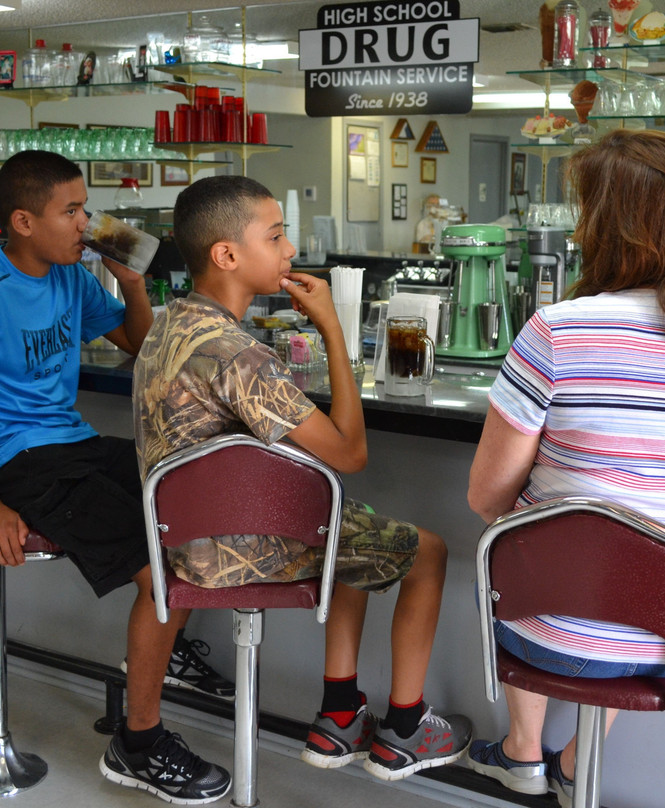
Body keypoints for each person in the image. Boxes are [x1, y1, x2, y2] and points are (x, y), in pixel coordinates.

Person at [0, 150, 234, 805]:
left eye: (85, 208)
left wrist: (131, 283)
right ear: (23, 221)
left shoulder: (70, 277)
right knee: (162, 575)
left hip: (73, 446)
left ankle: (162, 644)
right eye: (72, 211)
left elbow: (140, 345)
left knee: (191, 490)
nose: (87, 223)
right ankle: (138, 743)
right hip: (17, 465)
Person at [463, 129, 665, 806]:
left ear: (606, 228)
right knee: (635, 556)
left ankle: (522, 751)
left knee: (530, 543)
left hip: (558, 630)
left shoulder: (558, 330)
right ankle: (576, 763)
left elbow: (485, 496)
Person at [132, 175, 472, 783]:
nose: (290, 250)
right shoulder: (239, 356)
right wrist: (333, 329)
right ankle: (404, 727)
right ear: (226, 254)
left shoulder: (169, 325)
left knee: (353, 526)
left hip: (178, 544)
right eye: (276, 236)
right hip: (238, 551)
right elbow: (350, 452)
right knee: (426, 552)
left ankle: (341, 713)